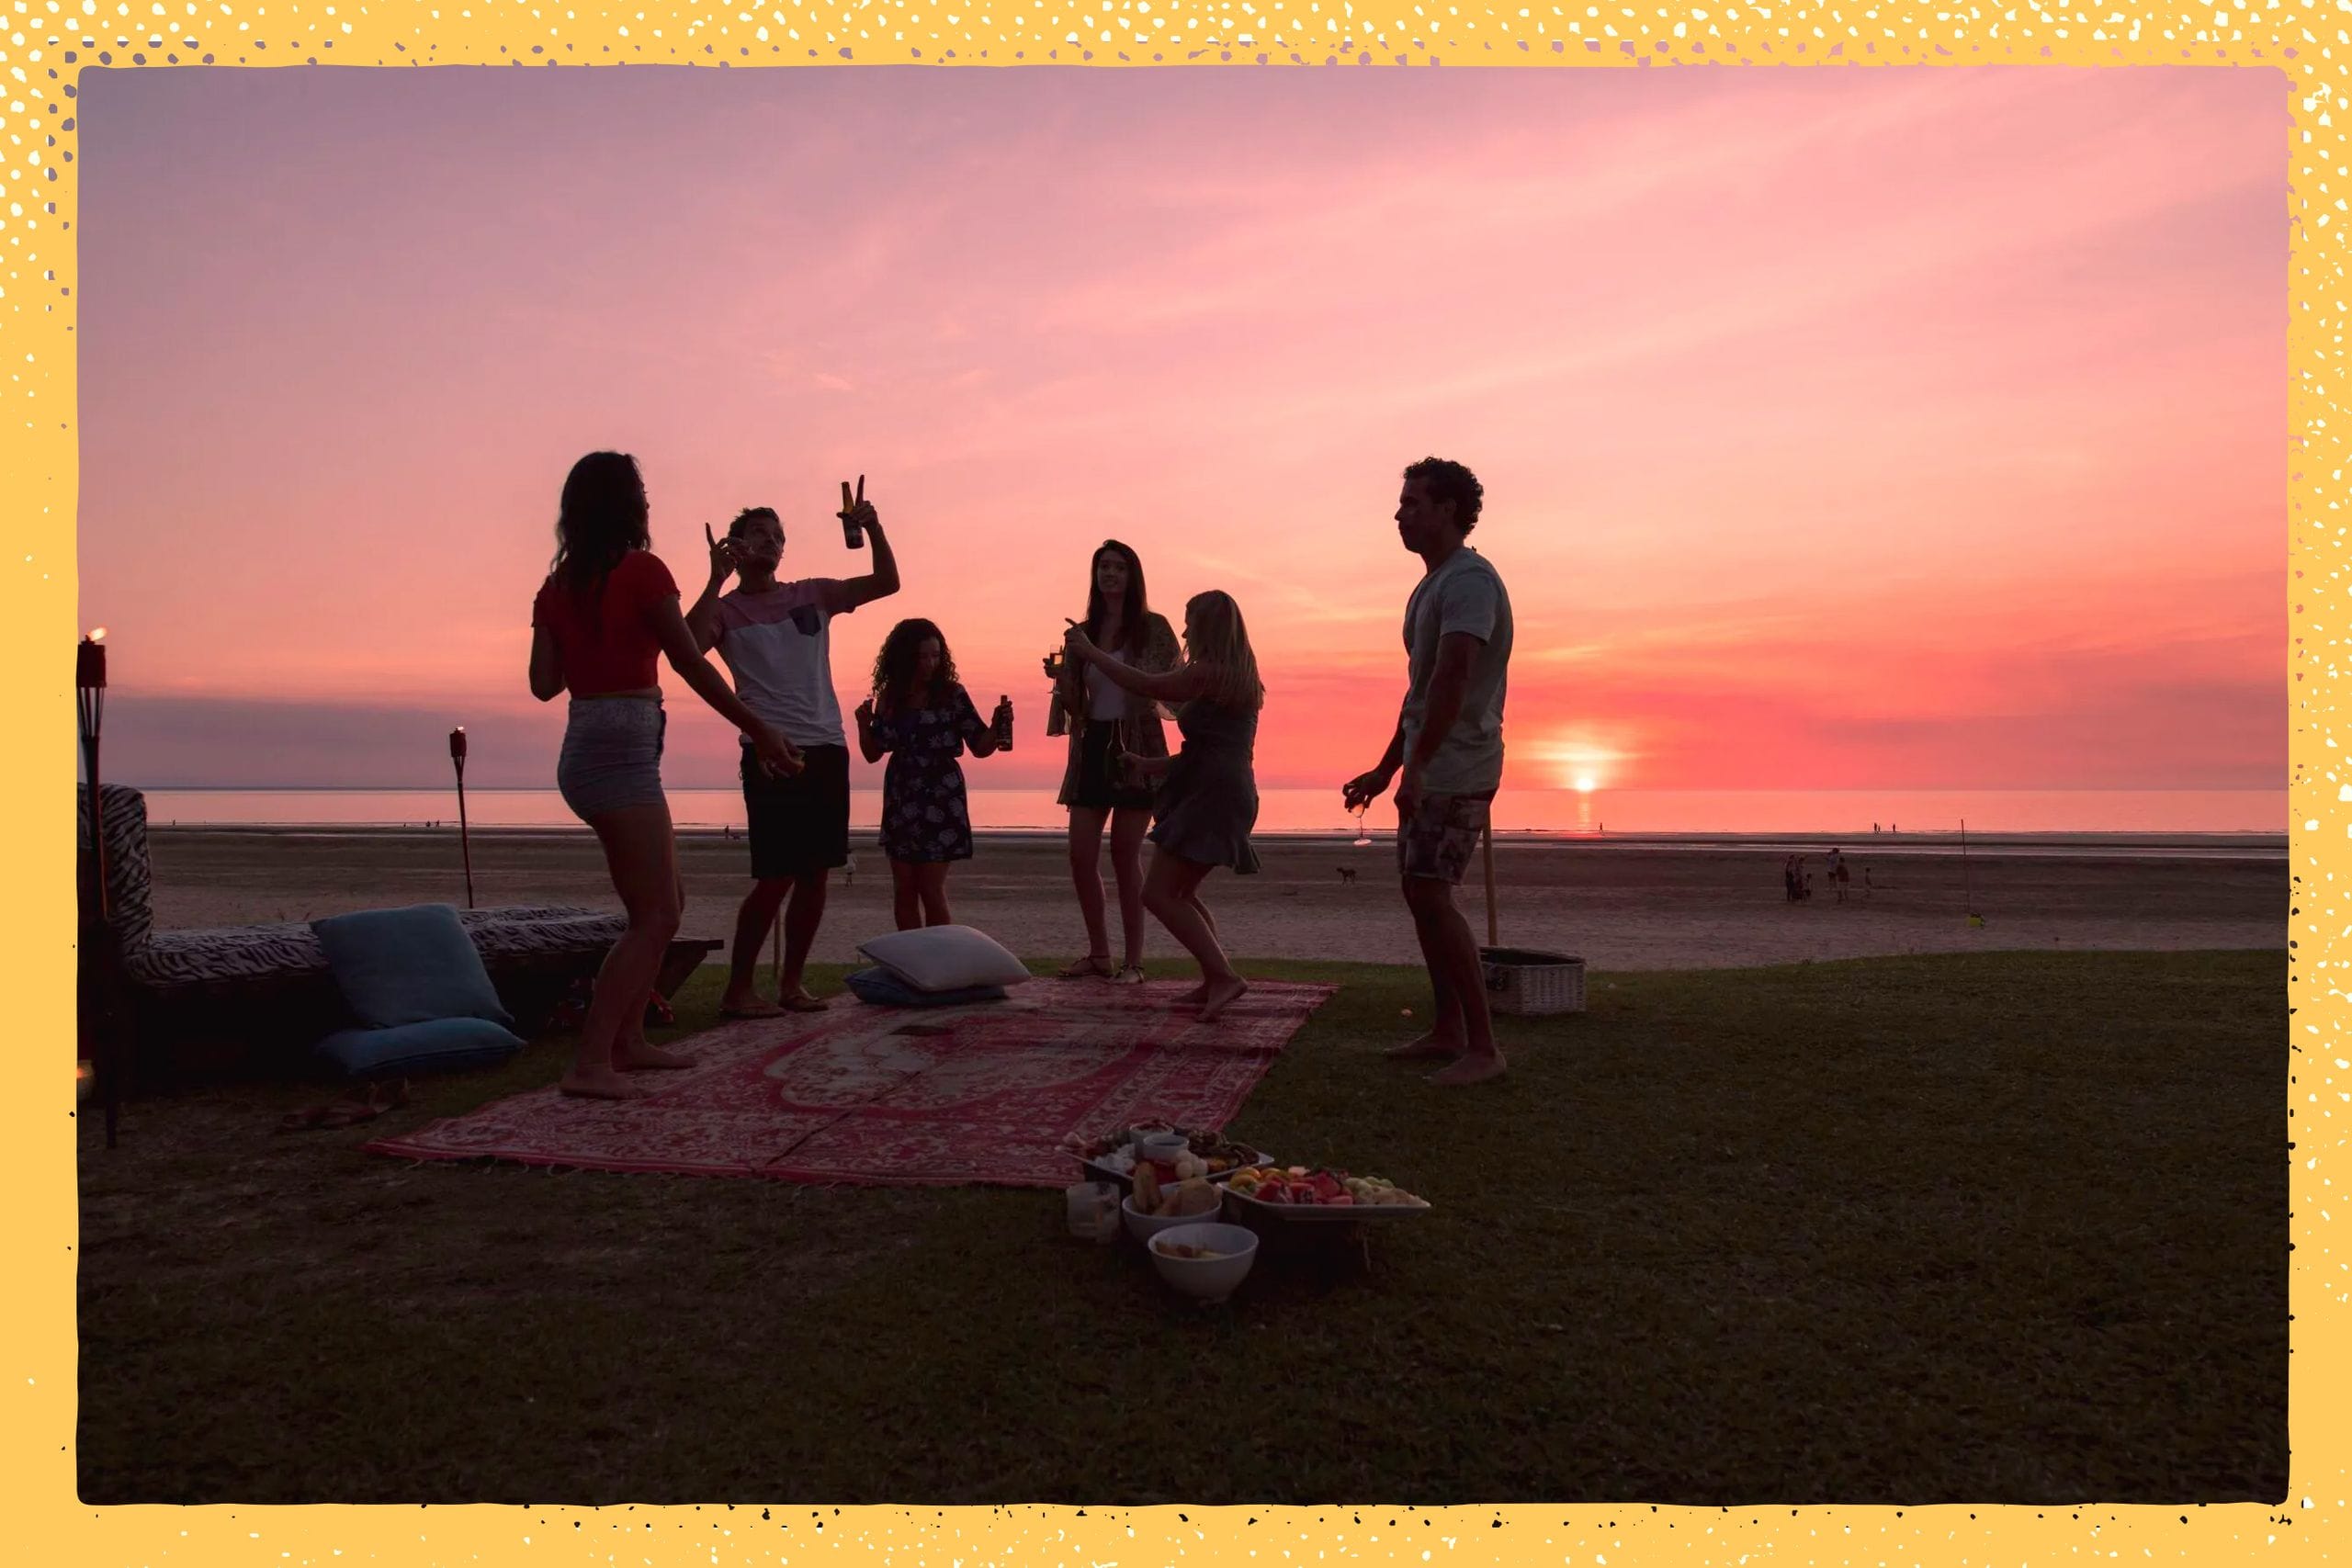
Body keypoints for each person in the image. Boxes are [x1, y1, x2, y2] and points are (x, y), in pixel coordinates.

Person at [528, 451, 802, 1100]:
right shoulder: (644, 570)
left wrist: (587, 633)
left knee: (665, 905)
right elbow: (691, 662)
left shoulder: (558, 586)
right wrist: (760, 726)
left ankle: (627, 1040)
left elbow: (544, 684)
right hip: (621, 758)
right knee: (654, 915)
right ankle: (591, 1061)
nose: (650, 501)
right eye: (643, 492)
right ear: (629, 505)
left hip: (585, 752)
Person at [687, 490, 899, 1017]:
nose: (772, 542)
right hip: (770, 750)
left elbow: (886, 583)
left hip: (827, 746)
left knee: (817, 873)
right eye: (761, 533)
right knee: (776, 875)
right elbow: (687, 649)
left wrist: (872, 528)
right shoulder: (727, 610)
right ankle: (739, 990)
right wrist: (714, 578)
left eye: (779, 535)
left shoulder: (812, 594)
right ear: (736, 544)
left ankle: (791, 984)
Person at [1344, 457, 1515, 1087]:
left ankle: (1484, 1045)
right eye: (1401, 502)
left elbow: (1453, 680)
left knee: (1435, 896)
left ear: (1448, 510)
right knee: (1421, 894)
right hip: (1429, 763)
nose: (1400, 513)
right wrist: (1388, 766)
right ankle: (1447, 1028)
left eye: (1413, 502)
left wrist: (1418, 768)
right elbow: (1419, 691)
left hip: (1457, 764)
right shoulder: (1434, 584)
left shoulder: (1469, 581)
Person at [1063, 590, 1262, 1021]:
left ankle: (1224, 977)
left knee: (1156, 893)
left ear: (1208, 626)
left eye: (1191, 621)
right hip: (1216, 789)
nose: (1185, 629)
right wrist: (1149, 764)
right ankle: (1214, 979)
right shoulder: (1233, 674)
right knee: (1182, 892)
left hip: (1213, 795)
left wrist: (1091, 653)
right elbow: (1209, 750)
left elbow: (1147, 685)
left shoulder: (1209, 672)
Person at [1045, 540, 1181, 984]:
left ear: (1132, 576)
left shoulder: (1152, 628)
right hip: (1093, 743)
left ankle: (1134, 961)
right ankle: (1100, 953)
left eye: (1119, 567)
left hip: (1136, 741)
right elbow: (1074, 707)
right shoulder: (1084, 631)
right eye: (1103, 566)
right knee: (1080, 855)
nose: (1110, 574)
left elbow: (1162, 686)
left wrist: (1089, 653)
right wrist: (1063, 678)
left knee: (1126, 855)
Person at [855, 617, 1010, 930]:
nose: (930, 663)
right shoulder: (891, 696)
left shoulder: (952, 694)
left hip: (942, 794)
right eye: (922, 656)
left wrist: (996, 726)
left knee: (931, 888)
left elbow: (980, 746)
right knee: (904, 891)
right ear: (905, 657)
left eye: (936, 656)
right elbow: (873, 753)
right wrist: (863, 725)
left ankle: (941, 966)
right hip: (903, 793)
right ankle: (912, 965)